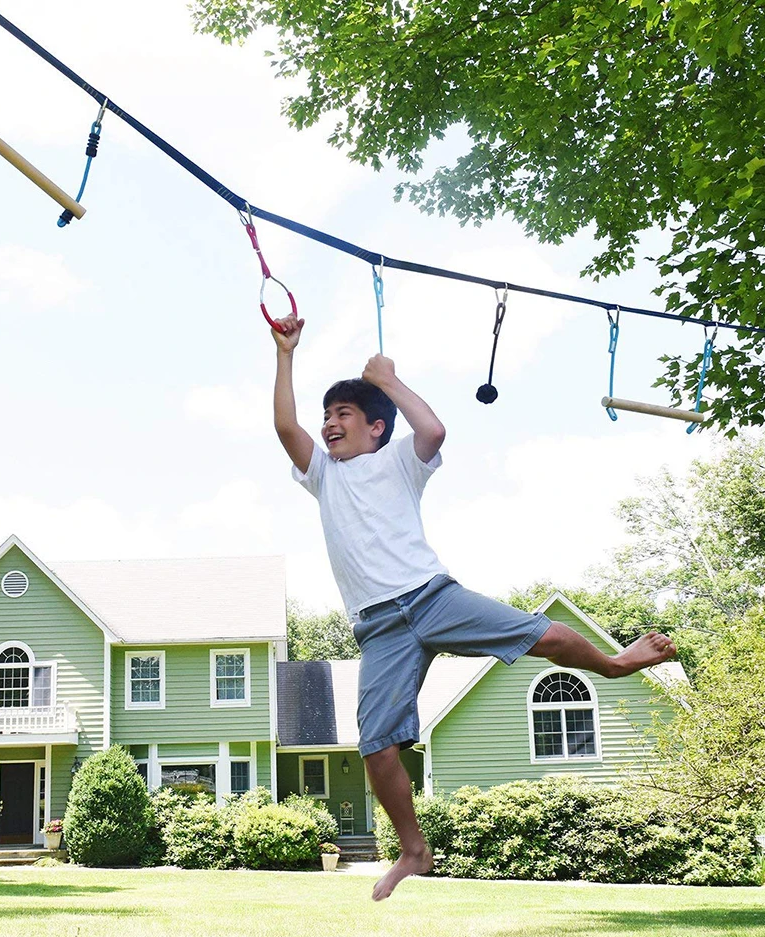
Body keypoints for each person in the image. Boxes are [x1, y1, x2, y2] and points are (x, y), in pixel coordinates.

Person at [269, 314, 677, 900]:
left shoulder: (398, 460)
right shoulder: (323, 477)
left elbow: (432, 430)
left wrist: (388, 380)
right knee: (376, 746)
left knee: (549, 637)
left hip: (433, 598)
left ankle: (615, 663)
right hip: (379, 628)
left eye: (344, 414)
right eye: (327, 415)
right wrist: (286, 353)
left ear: (377, 427)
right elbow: (286, 426)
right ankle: (414, 850)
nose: (329, 423)